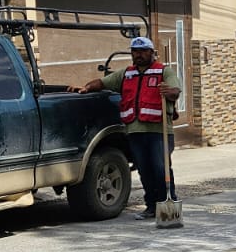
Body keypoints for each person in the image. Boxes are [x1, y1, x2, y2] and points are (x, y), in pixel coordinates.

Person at [72, 36, 182, 220]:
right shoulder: (126, 74)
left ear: (151, 53)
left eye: (143, 51)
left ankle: (167, 206)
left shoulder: (164, 72)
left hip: (159, 132)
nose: (138, 55)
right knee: (144, 170)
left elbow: (176, 91)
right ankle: (151, 206)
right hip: (135, 131)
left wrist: (170, 92)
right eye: (135, 51)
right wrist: (86, 88)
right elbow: (103, 83)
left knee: (160, 168)